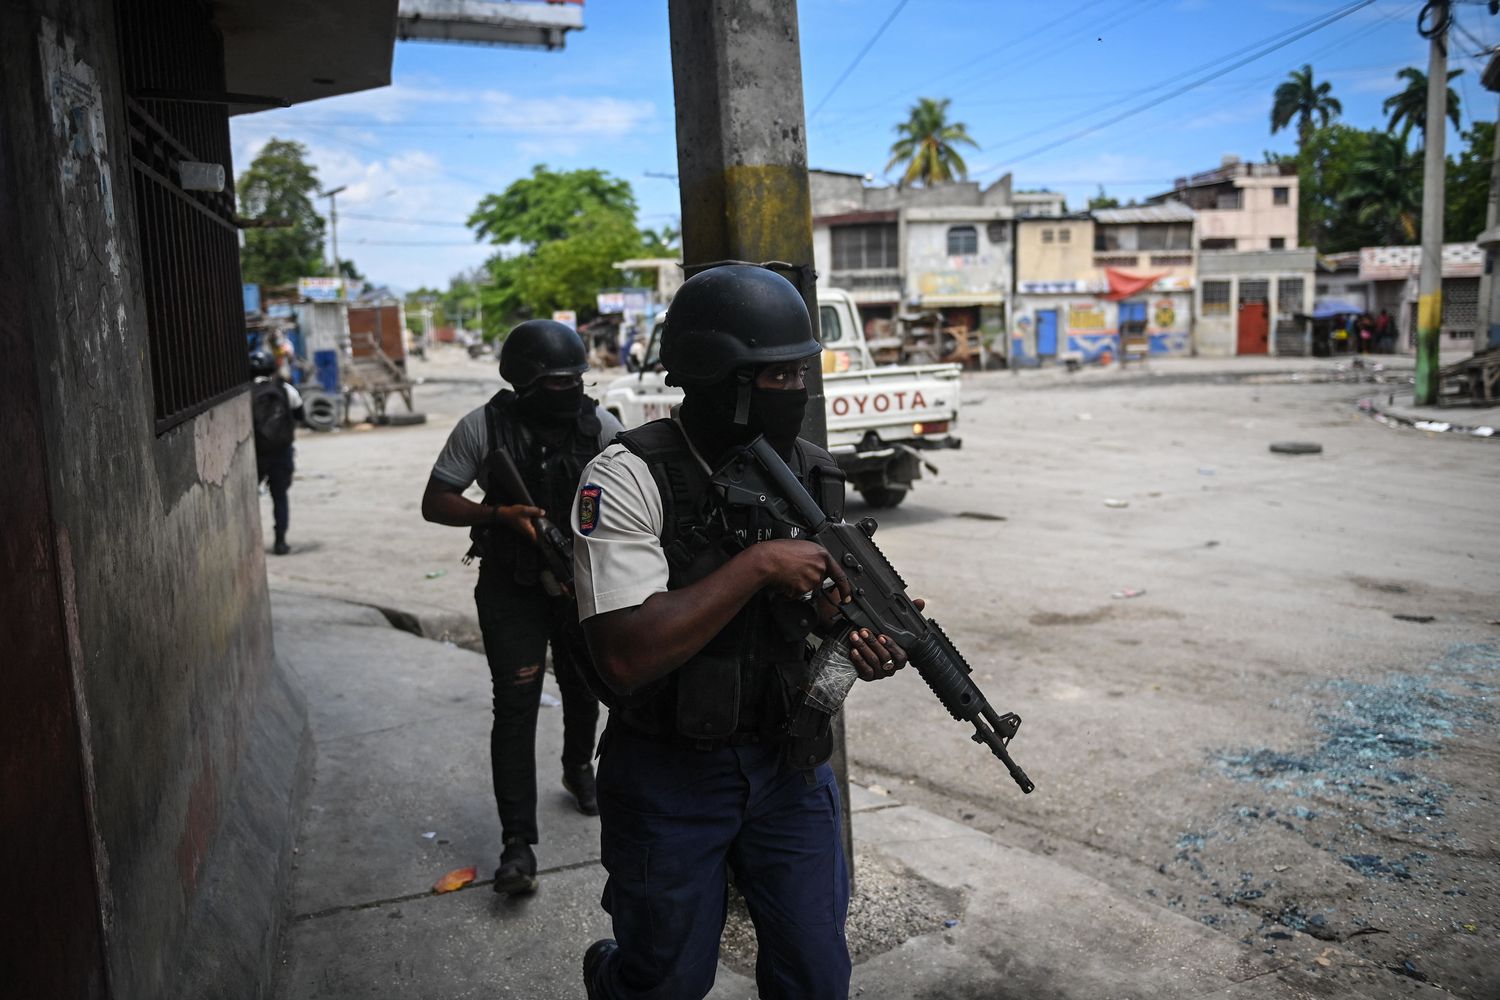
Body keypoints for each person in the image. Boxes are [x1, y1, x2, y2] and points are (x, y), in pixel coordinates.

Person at [571, 265, 917, 1000]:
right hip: (670, 772)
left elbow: (816, 626)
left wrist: (848, 641)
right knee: (664, 982)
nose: (796, 390)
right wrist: (758, 564)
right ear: (717, 377)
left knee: (817, 978)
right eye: (778, 376)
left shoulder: (814, 473)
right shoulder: (630, 476)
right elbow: (627, 655)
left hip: (789, 765)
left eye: (802, 372)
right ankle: (611, 976)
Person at [420, 320, 617, 896]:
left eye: (574, 379)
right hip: (511, 584)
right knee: (516, 703)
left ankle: (580, 769)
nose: (569, 391)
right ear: (524, 381)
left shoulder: (600, 425)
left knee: (586, 689)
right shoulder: (483, 427)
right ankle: (517, 844)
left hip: (579, 582)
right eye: (555, 381)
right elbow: (436, 501)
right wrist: (497, 516)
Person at [250, 348, 304, 556]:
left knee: (247, 497)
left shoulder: (245, 392)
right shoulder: (284, 389)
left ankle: (251, 542)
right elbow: (300, 413)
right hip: (282, 451)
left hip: (256, 453)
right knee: (279, 497)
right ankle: (280, 542)